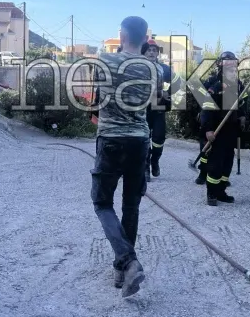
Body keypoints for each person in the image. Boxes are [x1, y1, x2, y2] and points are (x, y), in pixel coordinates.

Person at [90, 16, 162, 297]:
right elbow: (155, 100)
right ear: (146, 39)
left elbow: (99, 96)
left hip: (110, 140)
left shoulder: (103, 61)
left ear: (121, 35)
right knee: (131, 206)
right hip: (139, 142)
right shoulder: (154, 68)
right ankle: (123, 269)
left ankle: (128, 261)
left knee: (102, 202)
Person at [200, 52, 247, 206]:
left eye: (234, 67)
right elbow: (206, 108)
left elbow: (243, 103)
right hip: (217, 129)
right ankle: (211, 193)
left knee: (228, 161)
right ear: (221, 68)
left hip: (231, 130)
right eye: (228, 67)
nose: (232, 70)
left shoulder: (239, 85)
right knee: (216, 162)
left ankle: (221, 191)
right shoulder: (215, 86)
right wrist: (208, 129)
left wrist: (243, 116)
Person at [141, 38, 184, 181]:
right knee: (144, 138)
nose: (151, 52)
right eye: (149, 50)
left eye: (154, 50)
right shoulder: (138, 67)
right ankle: (145, 167)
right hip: (142, 109)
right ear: (144, 52)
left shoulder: (164, 69)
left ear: (157, 53)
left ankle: (155, 161)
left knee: (159, 138)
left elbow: (179, 82)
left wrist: (168, 92)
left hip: (158, 107)